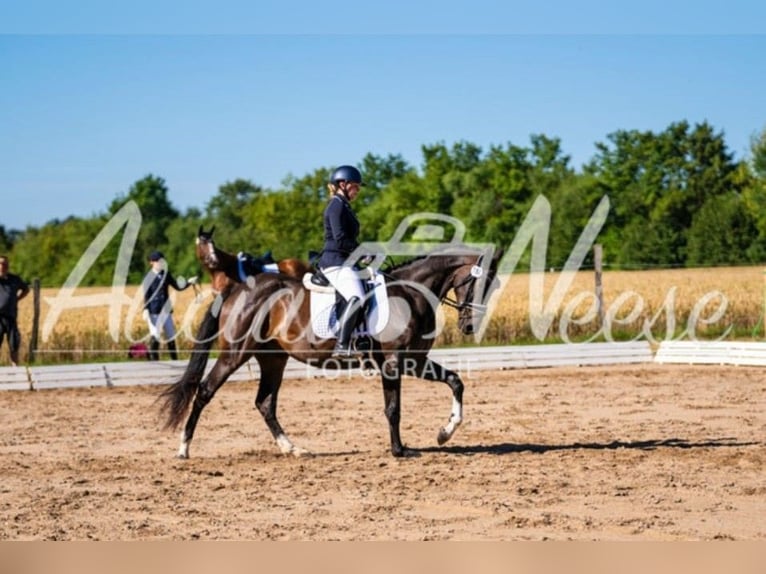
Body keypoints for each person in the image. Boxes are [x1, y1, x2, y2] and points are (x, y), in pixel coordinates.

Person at [318, 165, 368, 358]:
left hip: (345, 261)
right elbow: (340, 238)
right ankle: (342, 343)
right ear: (343, 184)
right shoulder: (336, 205)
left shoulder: (343, 205)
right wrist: (362, 254)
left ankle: (361, 337)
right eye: (356, 186)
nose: (358, 191)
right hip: (335, 262)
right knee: (357, 297)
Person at [142, 251, 196, 360]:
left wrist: (189, 282)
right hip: (154, 311)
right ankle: (154, 361)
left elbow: (177, 286)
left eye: (161, 261)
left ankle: (175, 360)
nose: (160, 263)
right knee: (156, 335)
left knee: (171, 335)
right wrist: (146, 309)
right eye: (158, 261)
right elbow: (146, 295)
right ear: (151, 262)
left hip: (166, 310)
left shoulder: (165, 274)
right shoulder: (148, 277)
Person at [0, 255, 30, 367]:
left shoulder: (14, 279)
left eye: (5, 264)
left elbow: (26, 289)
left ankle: (15, 370)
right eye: (0, 264)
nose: (2, 266)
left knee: (14, 344)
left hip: (11, 317)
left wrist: (17, 299)